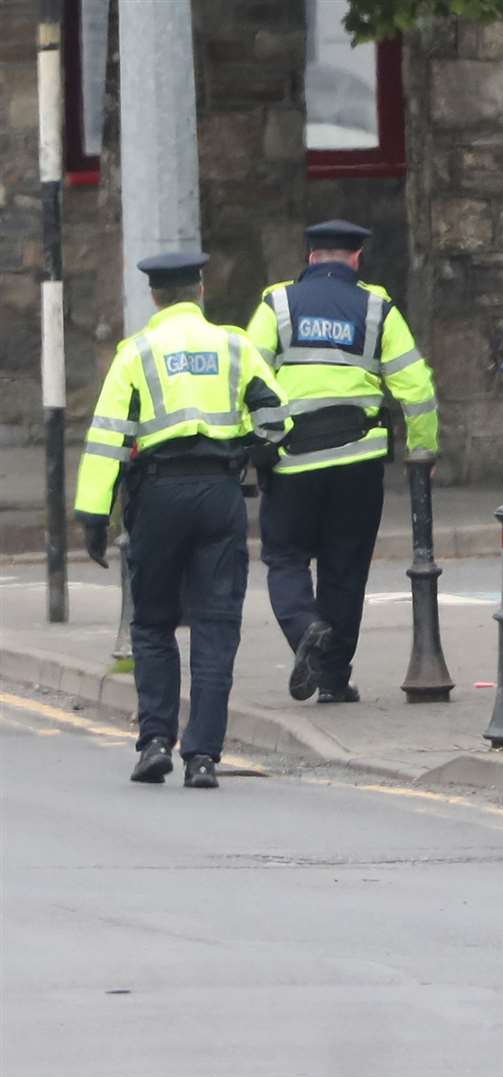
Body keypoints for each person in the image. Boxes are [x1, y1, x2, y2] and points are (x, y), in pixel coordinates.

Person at [75, 251, 291, 788]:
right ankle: (202, 757)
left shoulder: (136, 353)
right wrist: (250, 452)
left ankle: (154, 742)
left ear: (154, 296)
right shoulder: (235, 346)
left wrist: (93, 514)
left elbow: (107, 439)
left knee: (151, 623)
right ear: (200, 290)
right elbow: (276, 418)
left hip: (158, 497)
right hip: (219, 493)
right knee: (217, 626)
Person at [246, 220, 440, 704]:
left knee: (286, 557)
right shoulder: (378, 306)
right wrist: (423, 450)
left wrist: (254, 440)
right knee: (345, 567)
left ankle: (305, 628)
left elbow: (246, 373)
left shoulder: (278, 303)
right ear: (357, 259)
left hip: (293, 458)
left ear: (310, 257)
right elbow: (416, 388)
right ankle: (333, 678)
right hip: (359, 461)